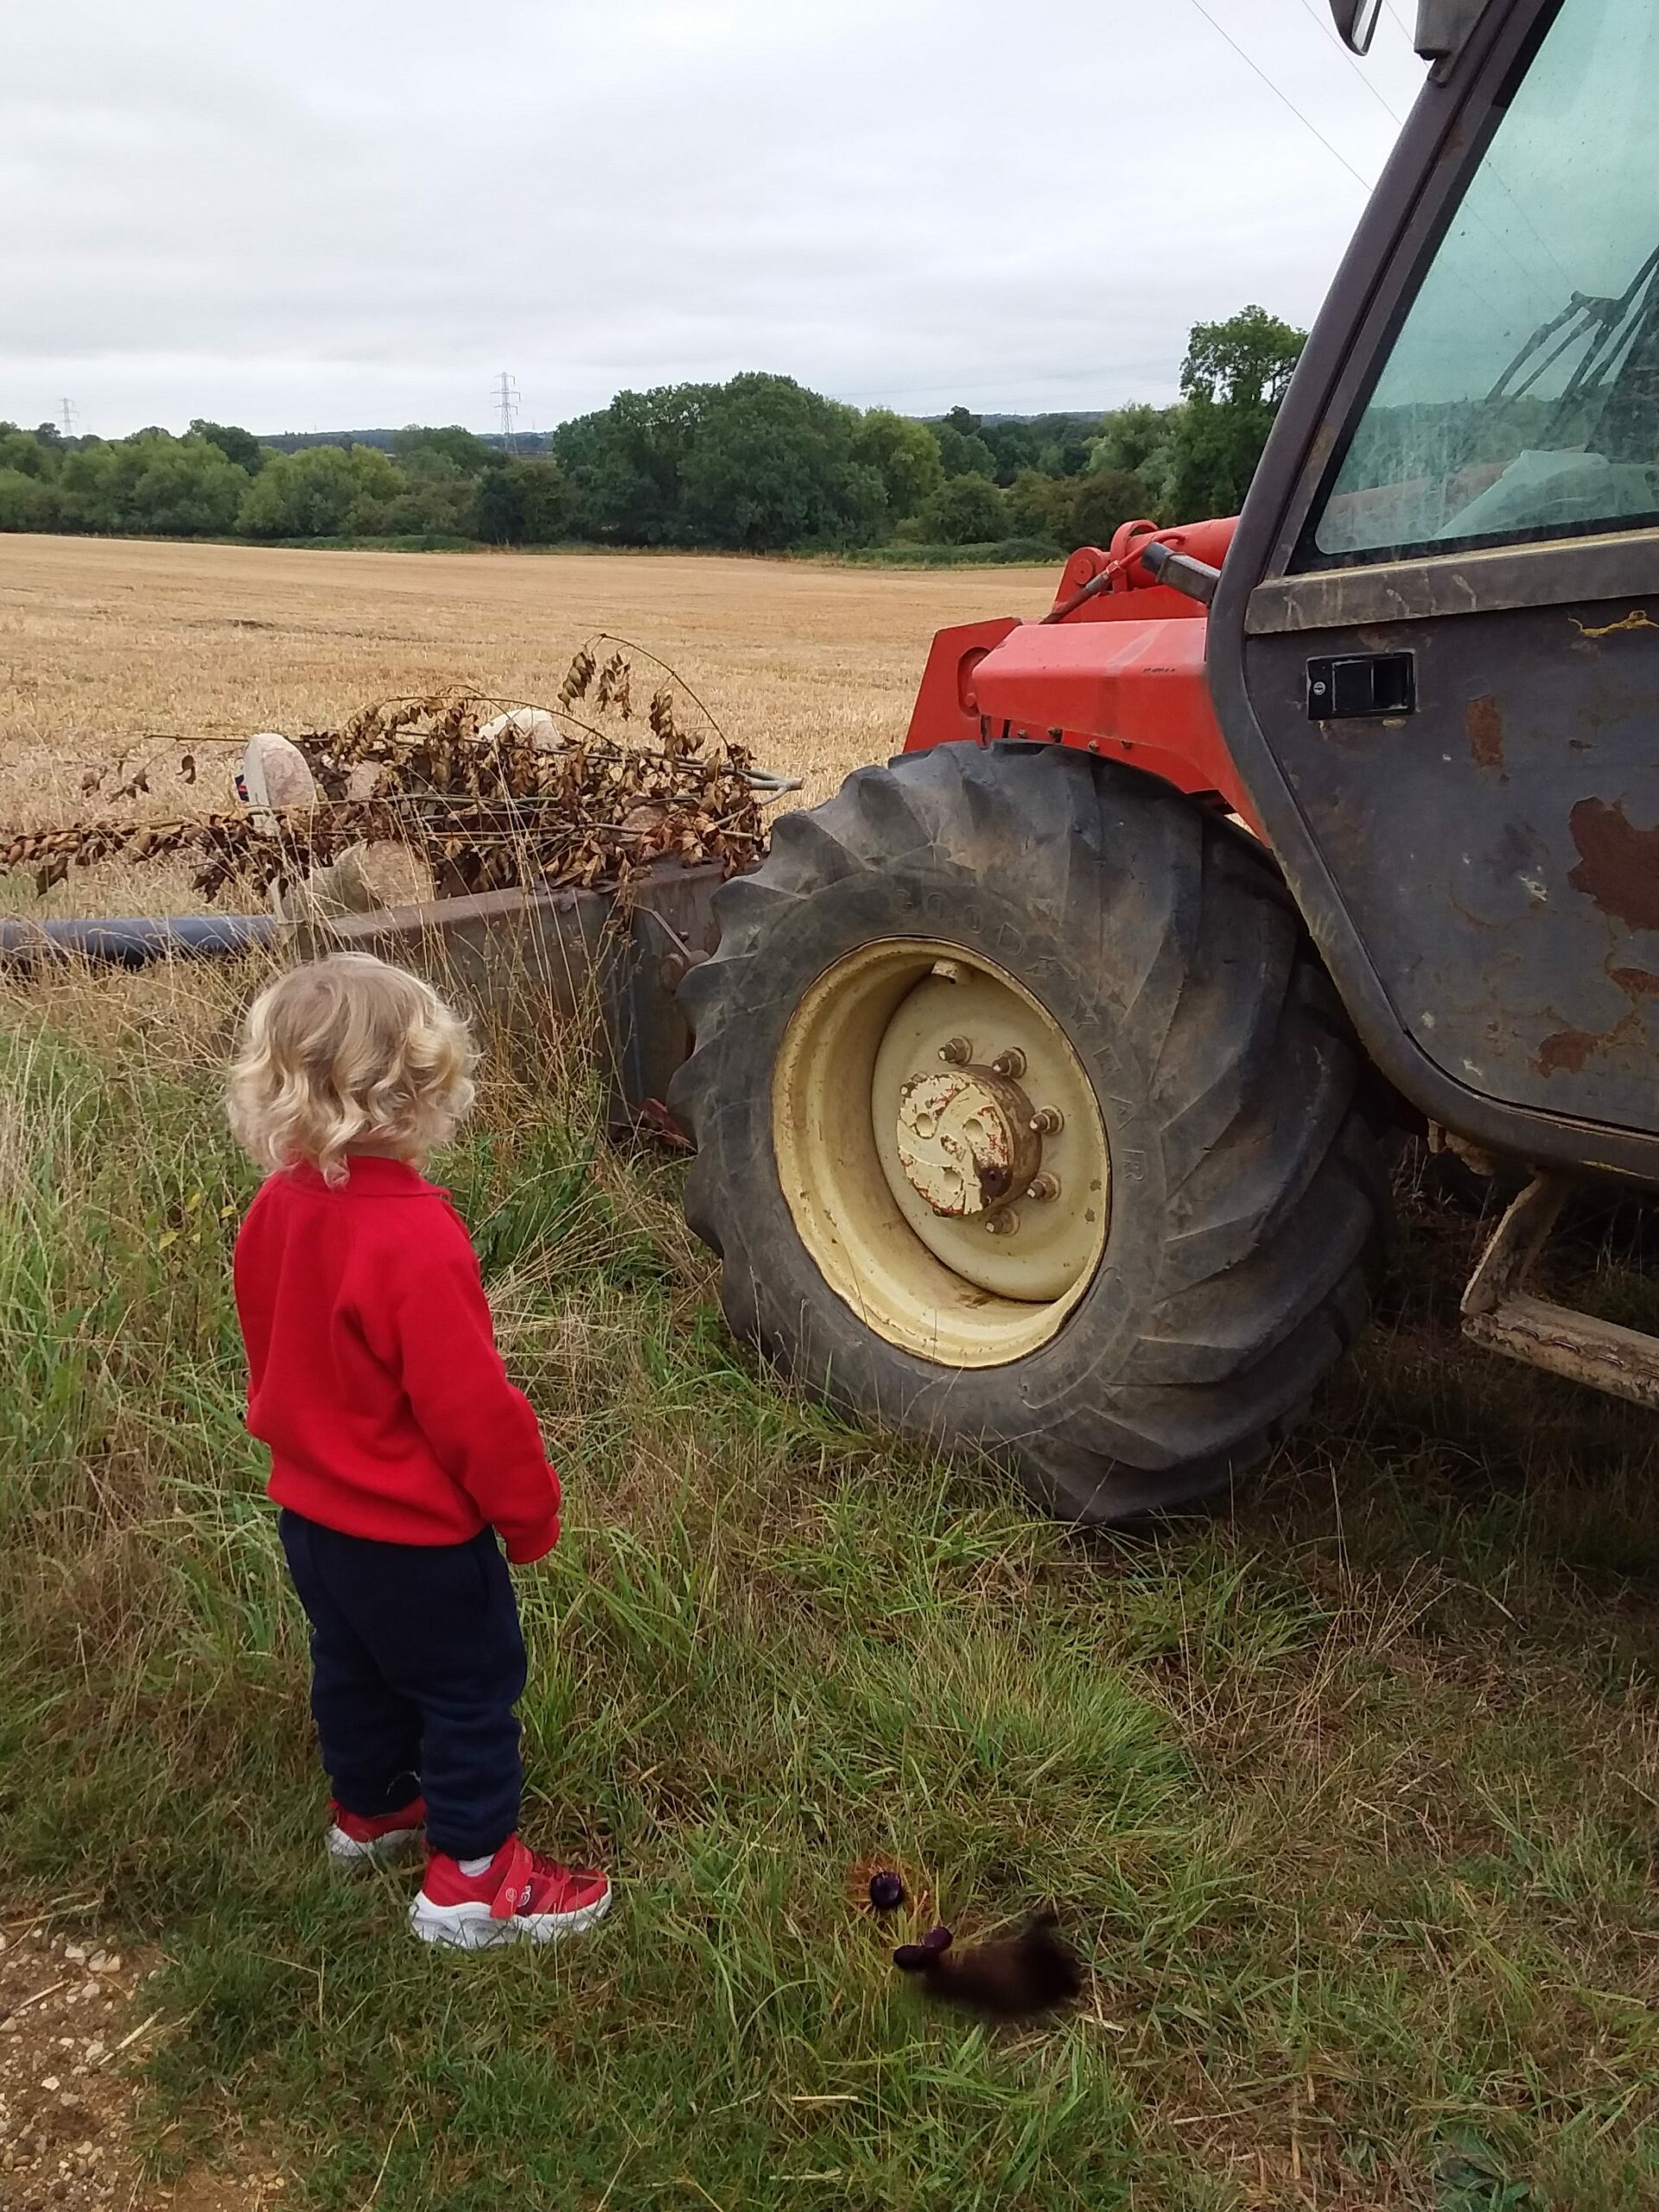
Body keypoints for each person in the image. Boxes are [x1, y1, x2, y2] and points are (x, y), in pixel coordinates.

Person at [226, 950, 610, 1948]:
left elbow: (270, 1340)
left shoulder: (276, 1207)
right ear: (422, 1086)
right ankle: (477, 1879)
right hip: (417, 1538)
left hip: (313, 1521)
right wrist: (527, 1511)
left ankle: (375, 1808)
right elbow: (469, 1407)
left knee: (350, 1664)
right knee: (469, 1688)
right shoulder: (416, 1235)